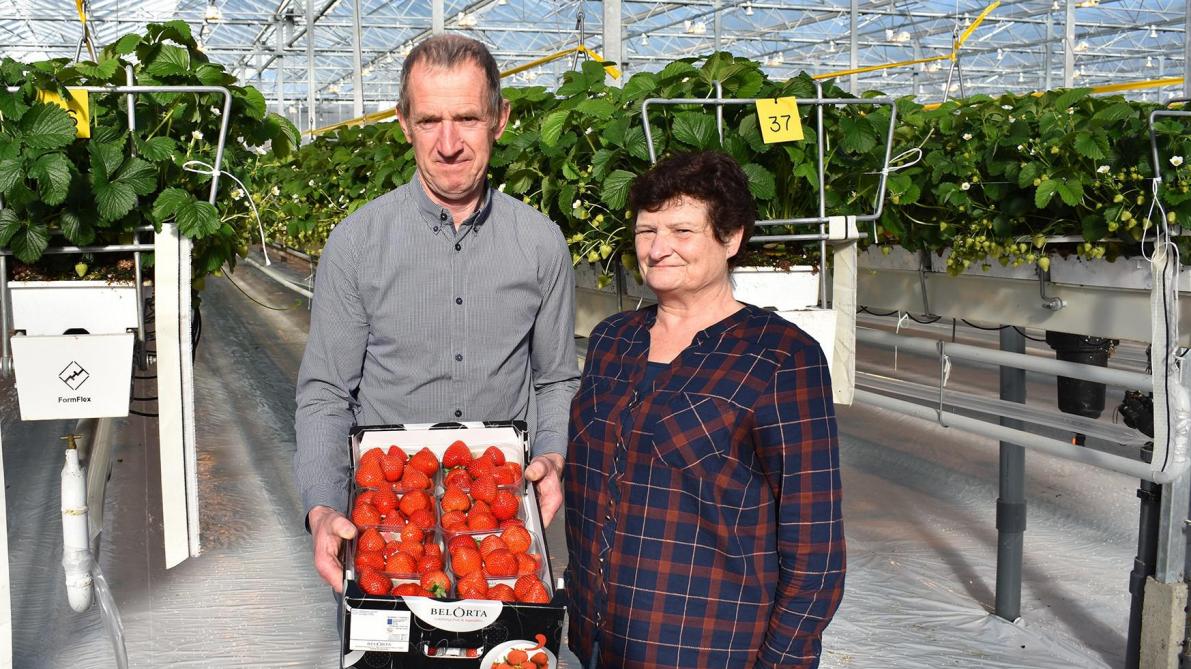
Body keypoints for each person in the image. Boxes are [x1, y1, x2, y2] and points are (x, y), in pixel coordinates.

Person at [294, 34, 579, 593]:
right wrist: (323, 508)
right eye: (429, 121)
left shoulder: (541, 244)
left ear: (500, 119)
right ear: (403, 123)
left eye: (467, 118)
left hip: (500, 514)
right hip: (388, 520)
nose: (449, 144)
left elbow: (556, 378)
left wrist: (551, 455)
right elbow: (327, 390)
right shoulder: (357, 244)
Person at [564, 151, 845, 668]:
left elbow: (816, 550)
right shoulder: (613, 341)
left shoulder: (780, 357)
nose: (659, 247)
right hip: (598, 639)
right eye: (647, 231)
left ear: (731, 237)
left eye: (681, 230)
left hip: (706, 647)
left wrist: (781, 662)